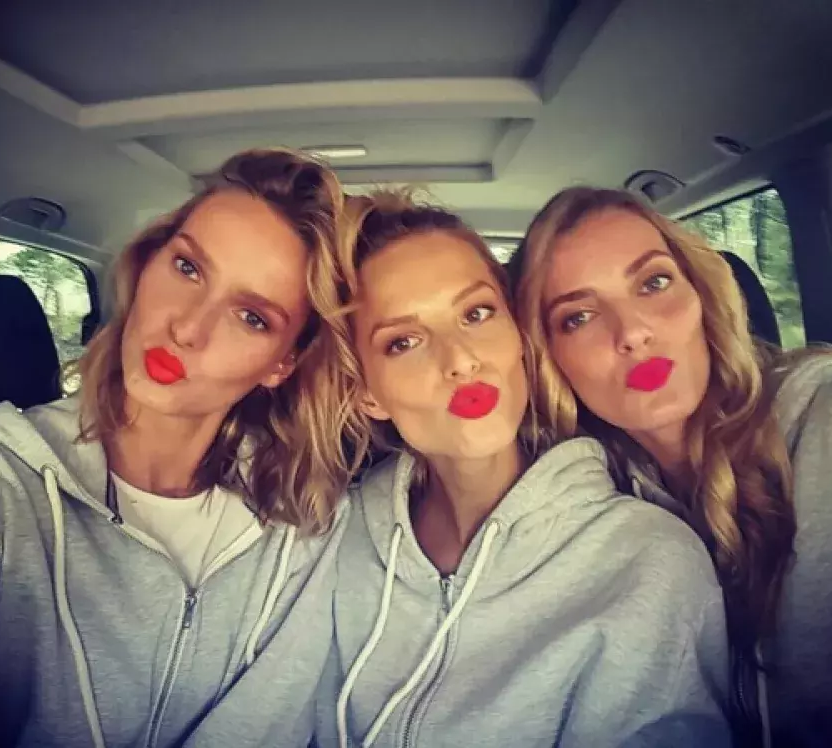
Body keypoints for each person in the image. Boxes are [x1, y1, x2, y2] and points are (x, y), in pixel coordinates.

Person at [0, 149, 353, 748]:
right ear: (146, 265)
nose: (187, 327)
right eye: (188, 268)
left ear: (282, 363)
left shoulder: (303, 516)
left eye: (251, 316)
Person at [313, 191, 731, 747]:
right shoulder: (331, 542)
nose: (461, 359)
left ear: (519, 335)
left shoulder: (647, 557)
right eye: (404, 342)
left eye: (476, 314)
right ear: (367, 392)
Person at [510, 185, 832, 747]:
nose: (632, 332)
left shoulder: (831, 415)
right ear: (548, 360)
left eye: (653, 283)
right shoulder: (582, 498)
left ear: (702, 295)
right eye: (579, 317)